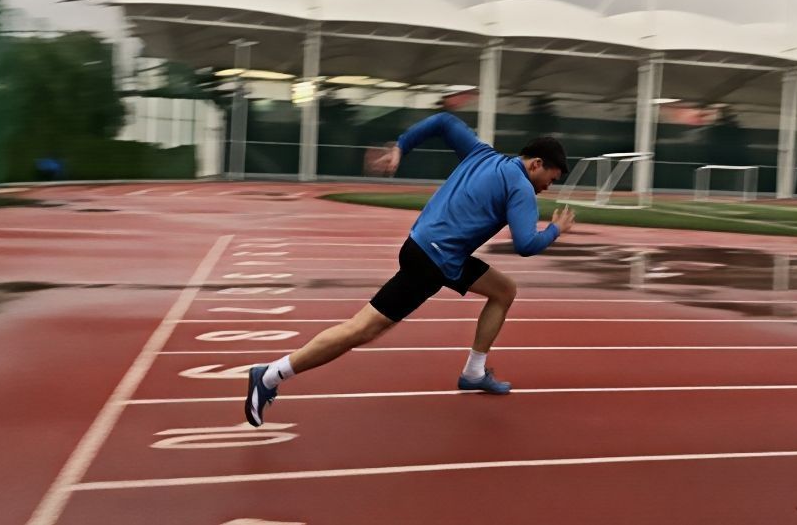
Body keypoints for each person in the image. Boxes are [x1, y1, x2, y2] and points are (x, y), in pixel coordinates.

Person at [245, 112, 575, 427]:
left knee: (503, 290)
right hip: (434, 262)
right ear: (536, 164)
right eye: (551, 179)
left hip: (428, 248)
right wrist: (555, 230)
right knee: (362, 329)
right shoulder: (521, 188)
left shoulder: (482, 154)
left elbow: (444, 122)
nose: (548, 187)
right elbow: (526, 244)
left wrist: (401, 146)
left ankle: (473, 373)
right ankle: (271, 374)